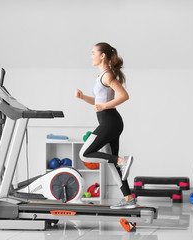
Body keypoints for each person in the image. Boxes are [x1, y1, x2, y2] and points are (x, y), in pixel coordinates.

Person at [76, 42, 136, 209]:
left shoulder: (107, 75)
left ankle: (123, 160)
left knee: (85, 154)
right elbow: (99, 101)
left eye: (93, 52)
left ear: (102, 56)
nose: (91, 55)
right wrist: (83, 98)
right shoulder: (102, 75)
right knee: (111, 164)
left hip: (110, 121)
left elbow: (124, 95)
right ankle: (128, 199)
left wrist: (104, 106)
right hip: (111, 121)